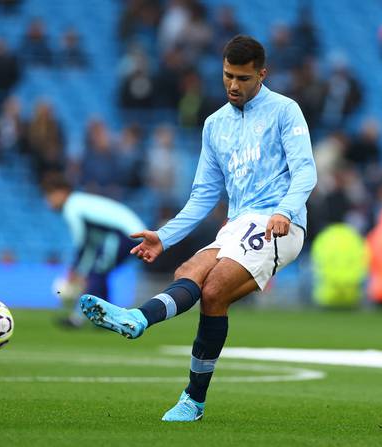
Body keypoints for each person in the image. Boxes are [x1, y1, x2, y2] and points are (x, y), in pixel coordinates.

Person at [79, 35, 317, 421]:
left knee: (214, 289)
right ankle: (137, 319)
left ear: (262, 74)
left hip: (280, 225)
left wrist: (286, 211)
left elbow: (305, 170)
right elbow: (204, 194)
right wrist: (165, 236)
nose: (234, 86)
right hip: (238, 223)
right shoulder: (214, 125)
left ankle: (193, 399)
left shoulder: (285, 111)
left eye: (243, 78)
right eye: (227, 76)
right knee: (187, 273)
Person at [43, 175, 145, 328]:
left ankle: (81, 319)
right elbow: (91, 245)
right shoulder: (79, 201)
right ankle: (104, 320)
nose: (48, 201)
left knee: (97, 272)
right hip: (129, 234)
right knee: (99, 272)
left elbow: (82, 242)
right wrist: (79, 269)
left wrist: (76, 269)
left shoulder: (72, 206)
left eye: (50, 195)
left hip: (125, 234)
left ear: (62, 192)